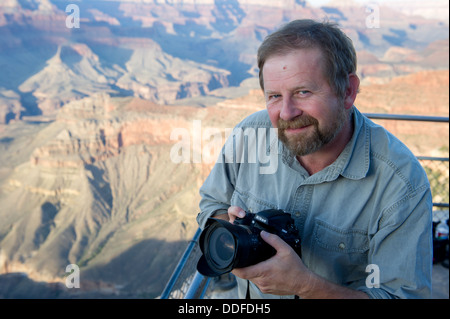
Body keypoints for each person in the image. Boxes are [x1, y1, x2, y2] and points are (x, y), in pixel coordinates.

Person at [196, 19, 433, 299]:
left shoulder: (401, 183)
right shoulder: (251, 134)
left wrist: (306, 287)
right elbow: (212, 203)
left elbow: (403, 296)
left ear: (347, 91)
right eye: (274, 96)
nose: (286, 113)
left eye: (303, 92)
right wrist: (232, 230)